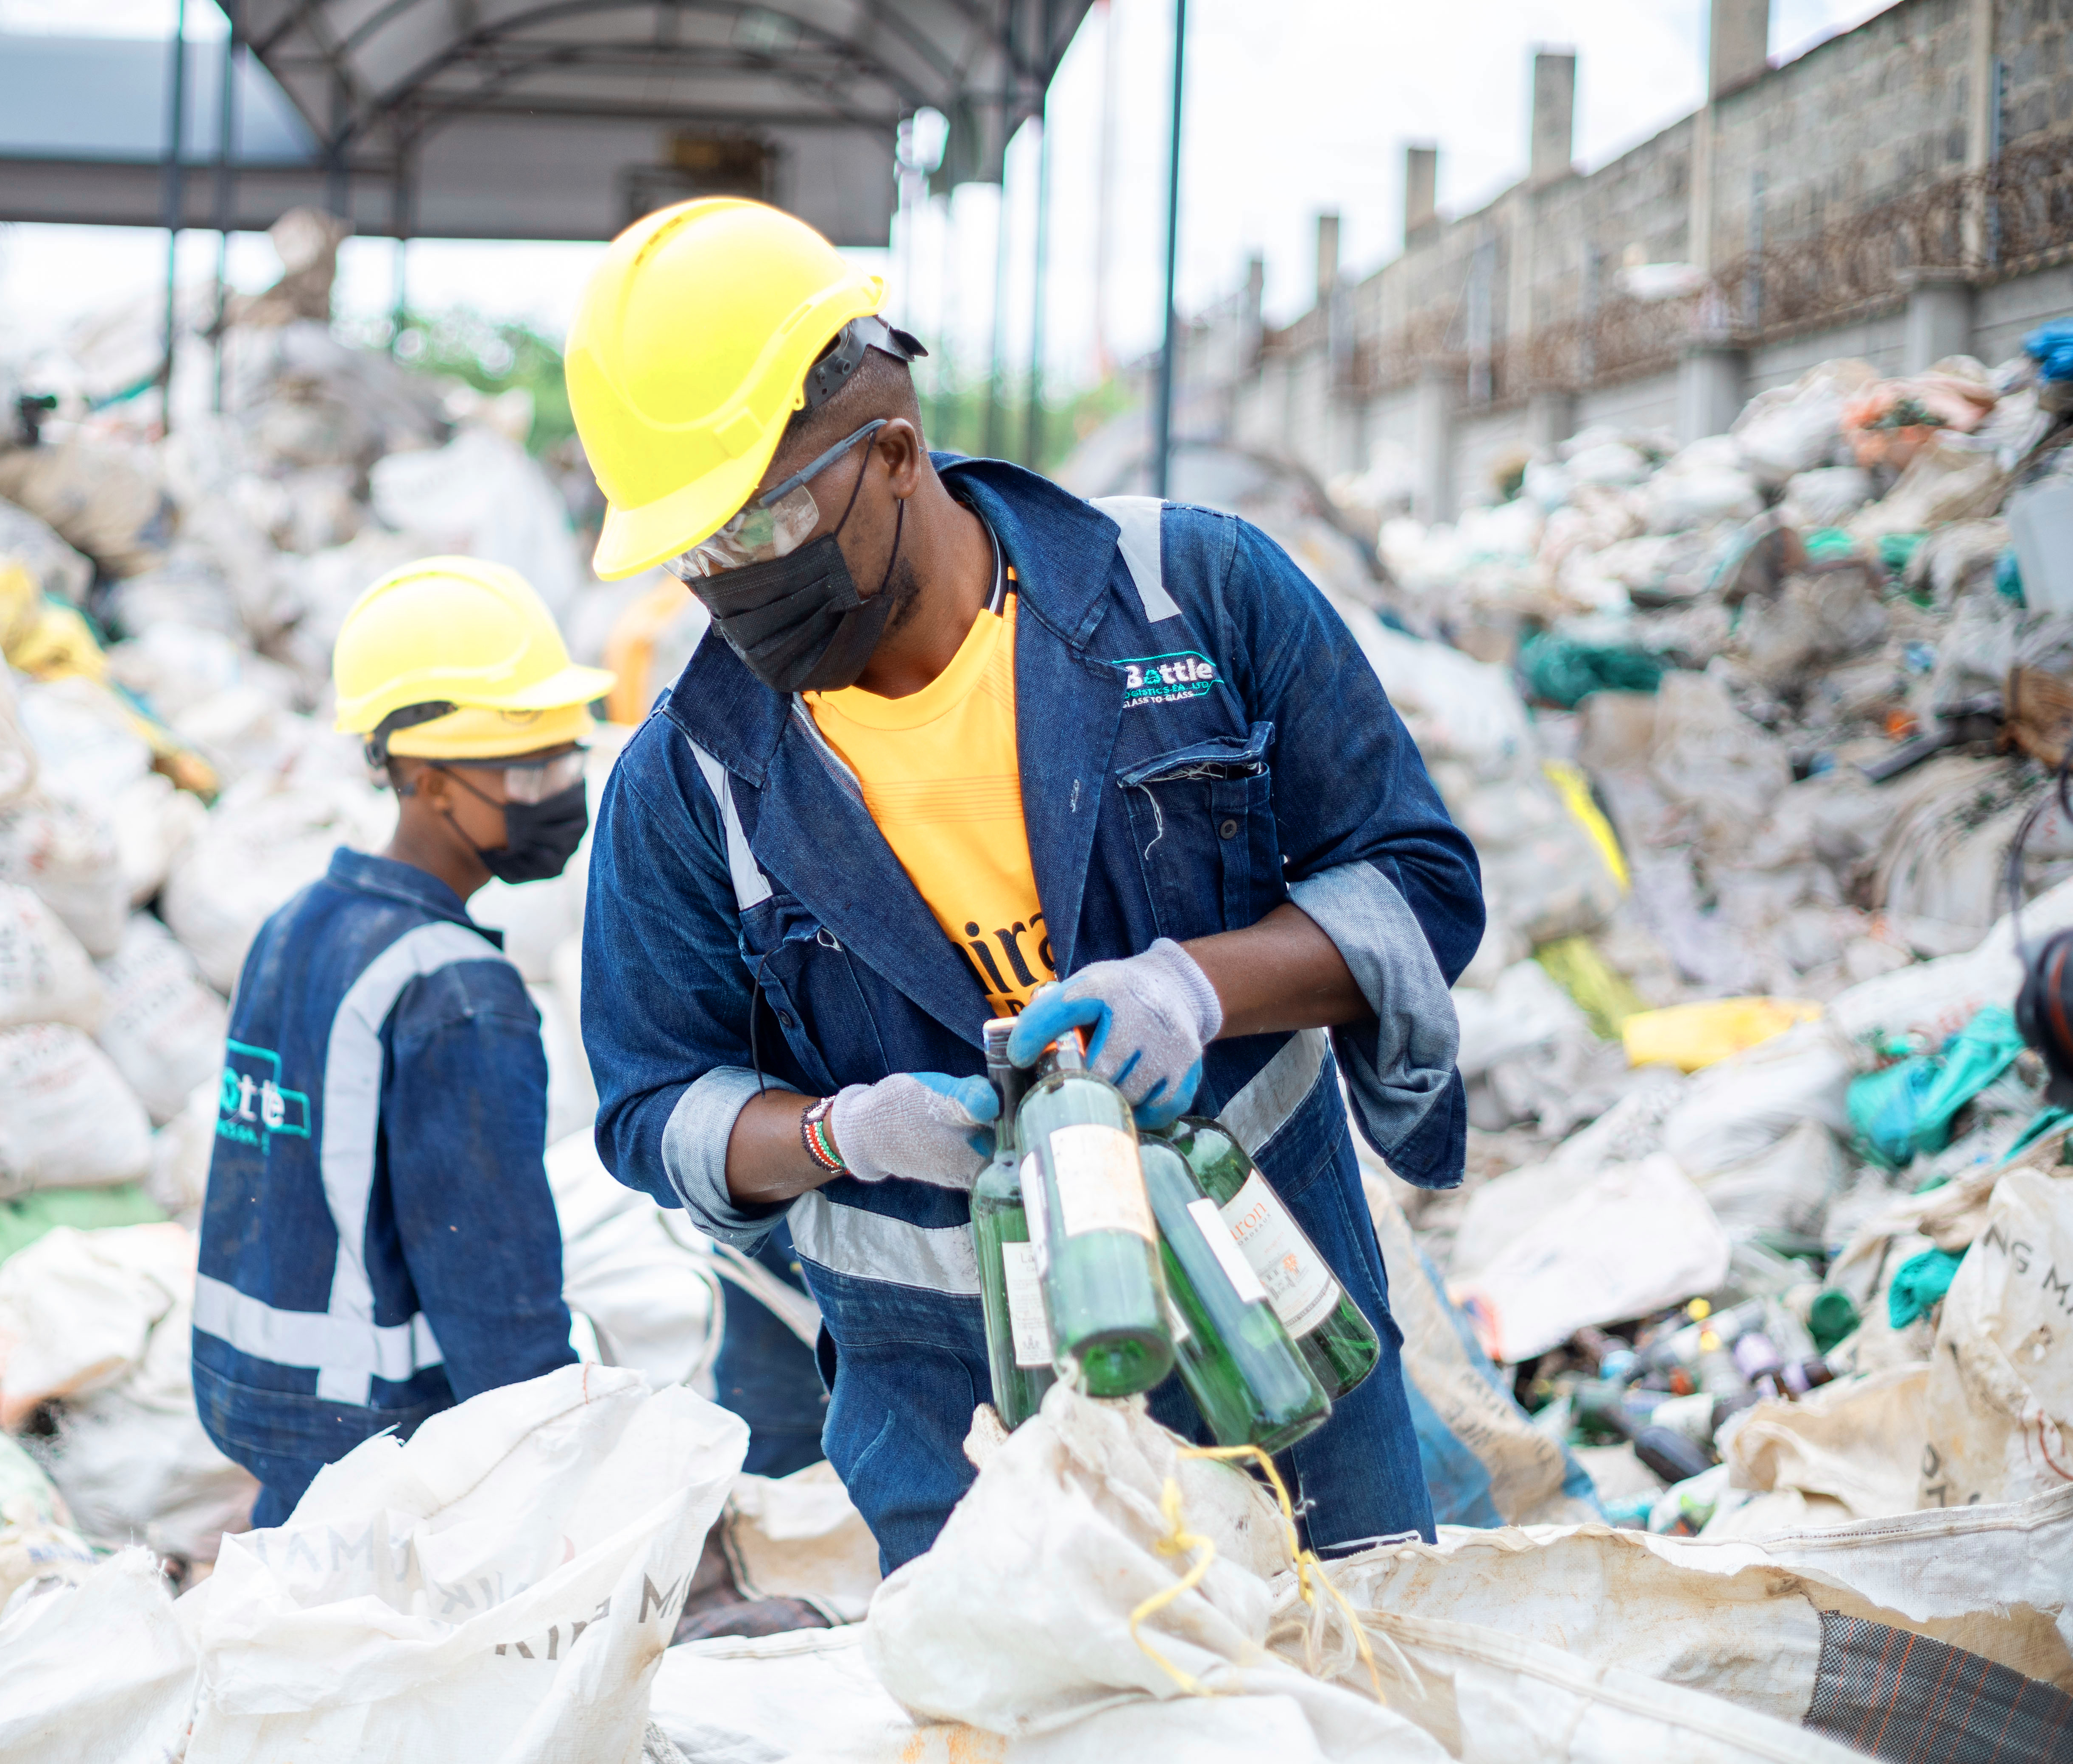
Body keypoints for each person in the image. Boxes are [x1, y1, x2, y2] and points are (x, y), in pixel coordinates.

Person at [565, 198, 1485, 1570]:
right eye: (695, 552)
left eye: (755, 533)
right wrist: (841, 1135)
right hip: (959, 1432)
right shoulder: (690, 778)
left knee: (1353, 1682)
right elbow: (651, 1104)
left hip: (1273, 1336)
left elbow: (1417, 886)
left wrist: (1194, 991)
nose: (726, 585)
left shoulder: (1194, 595)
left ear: (890, 453)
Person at [190, 555, 613, 1527]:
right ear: (427, 779)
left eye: (565, 759)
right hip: (374, 1427)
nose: (558, 790)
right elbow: (490, 1269)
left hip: (254, 1388)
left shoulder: (297, 922)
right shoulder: (460, 992)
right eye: (526, 768)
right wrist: (553, 1453)